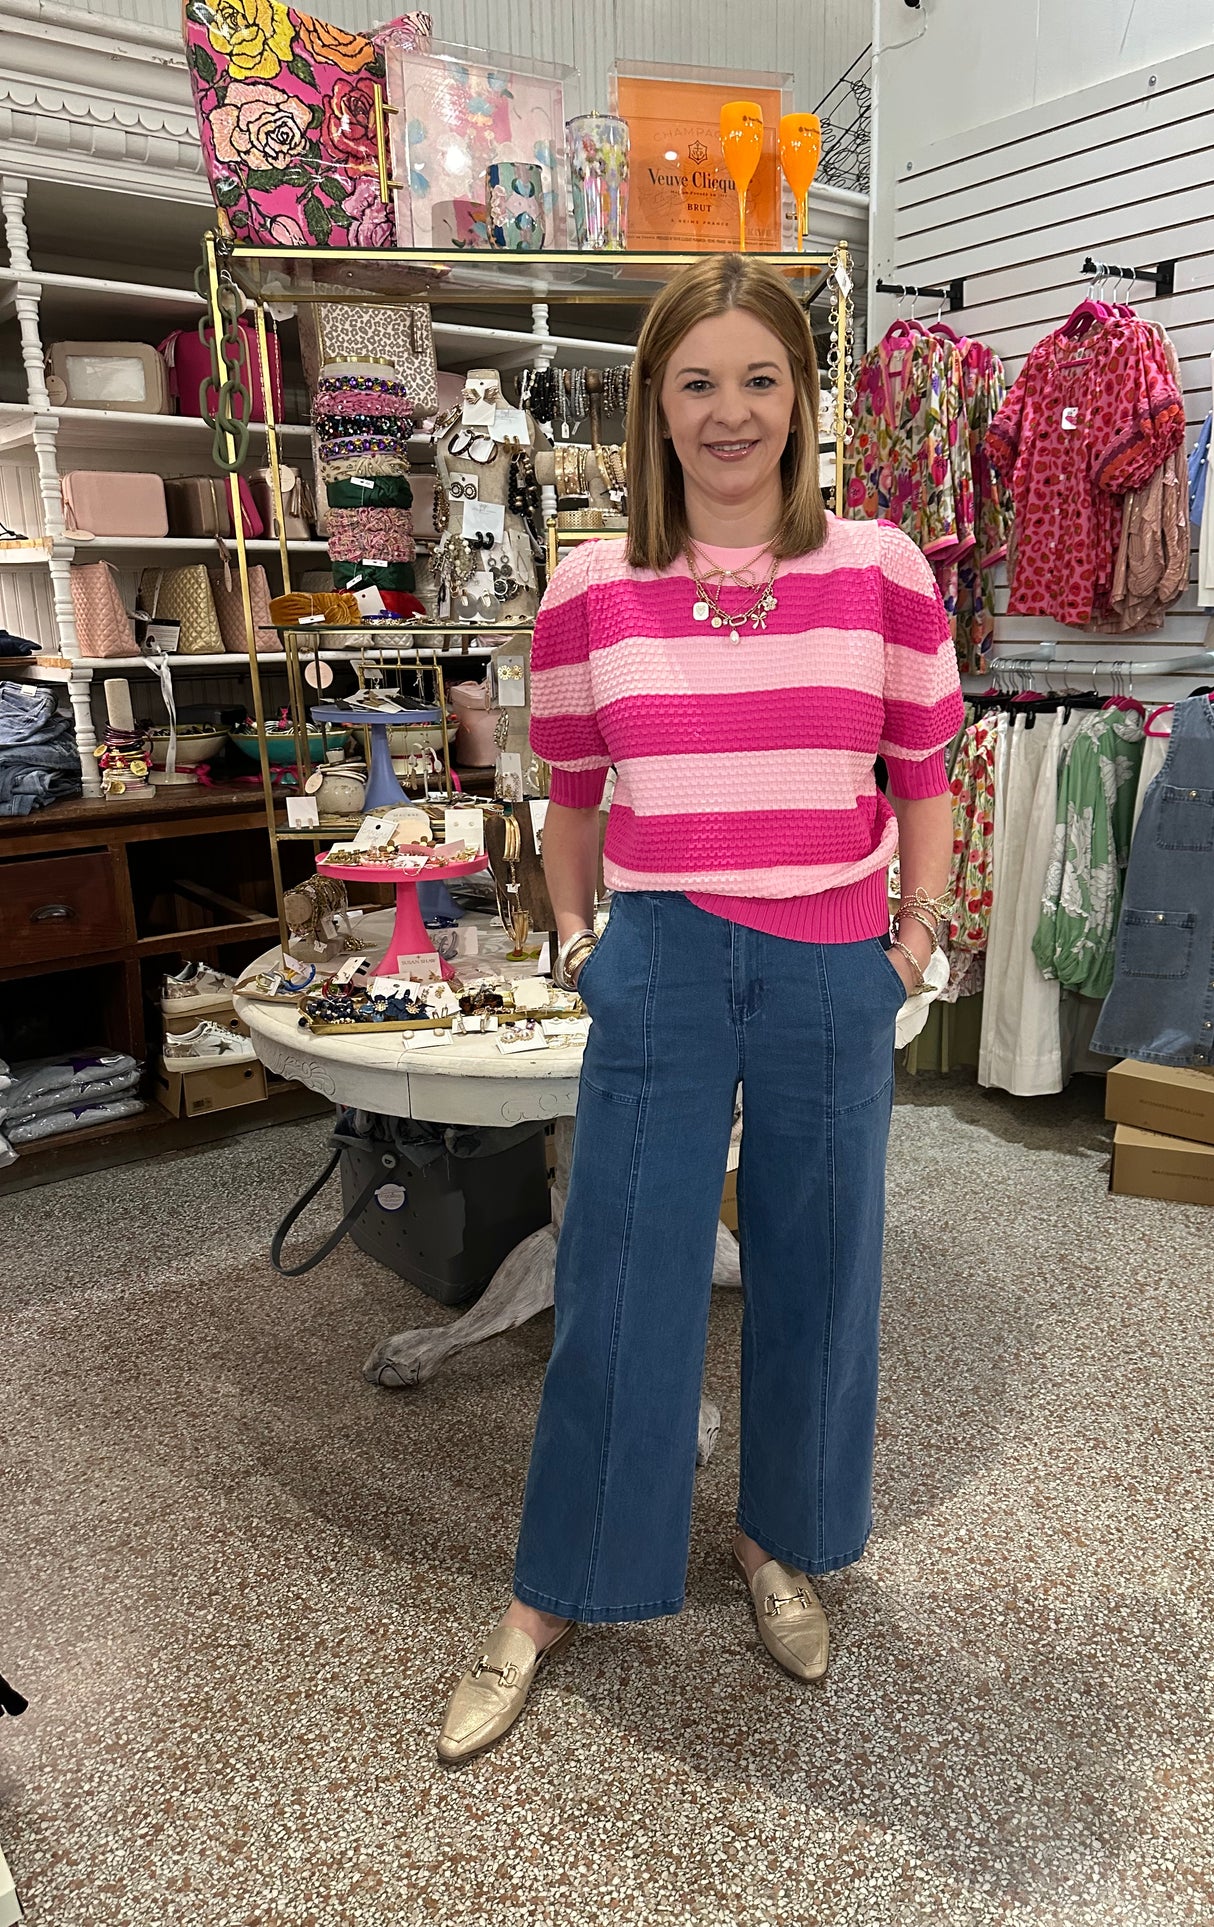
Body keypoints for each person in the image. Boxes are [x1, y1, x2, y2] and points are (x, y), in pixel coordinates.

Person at [438, 254, 961, 1763]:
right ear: (653, 406)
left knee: (816, 1265)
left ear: (800, 399)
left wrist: (910, 942)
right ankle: (558, 1587)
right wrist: (584, 941)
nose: (728, 412)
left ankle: (775, 1542)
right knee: (623, 1268)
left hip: (829, 956)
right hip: (658, 954)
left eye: (758, 379)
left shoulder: (882, 570)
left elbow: (923, 774)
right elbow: (570, 799)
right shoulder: (593, 586)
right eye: (695, 382)